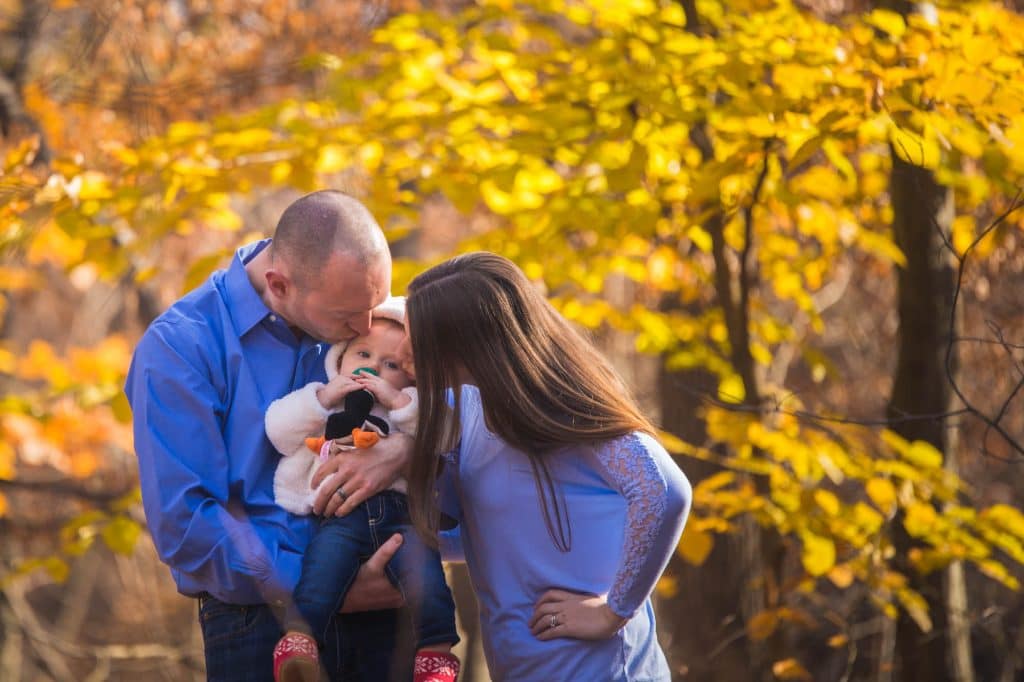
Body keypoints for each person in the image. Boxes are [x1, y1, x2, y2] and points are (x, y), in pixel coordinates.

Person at [125, 190, 414, 681]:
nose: (366, 328)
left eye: (374, 305)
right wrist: (323, 587)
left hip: (389, 609)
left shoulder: (361, 309)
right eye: (348, 319)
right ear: (279, 284)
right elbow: (186, 523)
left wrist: (405, 452)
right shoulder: (181, 346)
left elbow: (451, 438)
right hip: (261, 622)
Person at [402, 251, 693, 681]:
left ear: (462, 345)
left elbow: (664, 492)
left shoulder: (565, 413)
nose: (407, 353)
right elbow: (492, 534)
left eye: (418, 341)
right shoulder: (467, 407)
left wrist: (613, 612)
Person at [265, 296, 459, 682]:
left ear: (411, 374)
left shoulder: (413, 406)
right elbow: (278, 430)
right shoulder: (322, 402)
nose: (372, 368)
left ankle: (435, 656)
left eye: (391, 364)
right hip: (341, 519)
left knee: (429, 582)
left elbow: (447, 434)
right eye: (362, 354)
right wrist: (323, 398)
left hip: (403, 520)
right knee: (321, 571)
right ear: (339, 359)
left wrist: (396, 400)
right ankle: (299, 642)